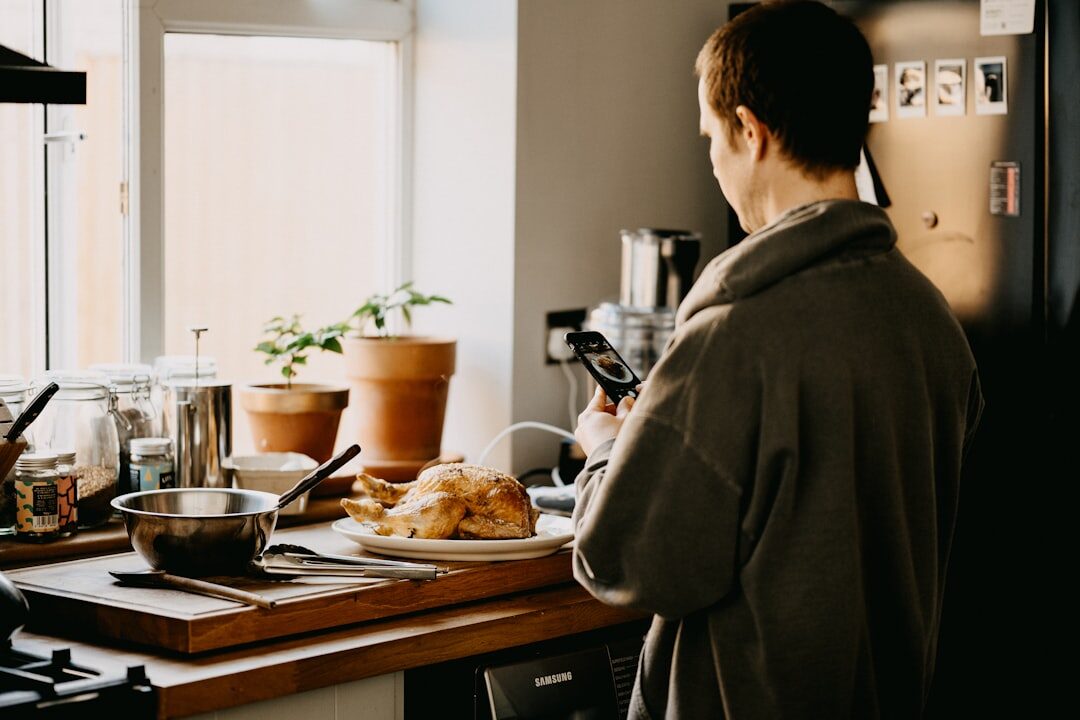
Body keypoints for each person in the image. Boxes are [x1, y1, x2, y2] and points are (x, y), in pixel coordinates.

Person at [570, 2, 983, 718]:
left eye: (711, 137)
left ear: (751, 133)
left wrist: (609, 449)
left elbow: (628, 560)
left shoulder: (736, 332)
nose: (713, 160)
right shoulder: (927, 318)